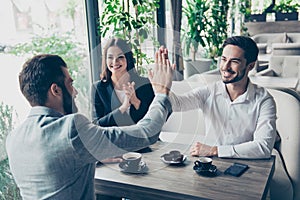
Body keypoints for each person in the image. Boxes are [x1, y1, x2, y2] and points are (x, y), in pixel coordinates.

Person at [5, 50, 174, 199]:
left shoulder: (13, 139)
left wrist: (94, 156)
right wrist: (161, 93)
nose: (76, 92)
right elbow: (146, 133)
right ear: (55, 90)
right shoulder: (72, 128)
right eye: (70, 84)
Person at [168, 36, 277, 159]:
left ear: (250, 66)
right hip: (211, 163)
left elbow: (264, 147)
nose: (225, 67)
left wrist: (215, 150)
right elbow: (177, 104)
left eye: (234, 61)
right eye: (224, 59)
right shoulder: (209, 91)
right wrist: (162, 88)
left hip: (247, 165)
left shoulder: (264, 100)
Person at [91, 38, 155, 127]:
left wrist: (136, 102)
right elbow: (96, 125)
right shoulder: (98, 88)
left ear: (128, 59)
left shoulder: (144, 83)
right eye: (110, 57)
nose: (114, 62)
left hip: (141, 139)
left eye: (120, 57)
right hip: (112, 139)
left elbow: (154, 120)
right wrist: (122, 108)